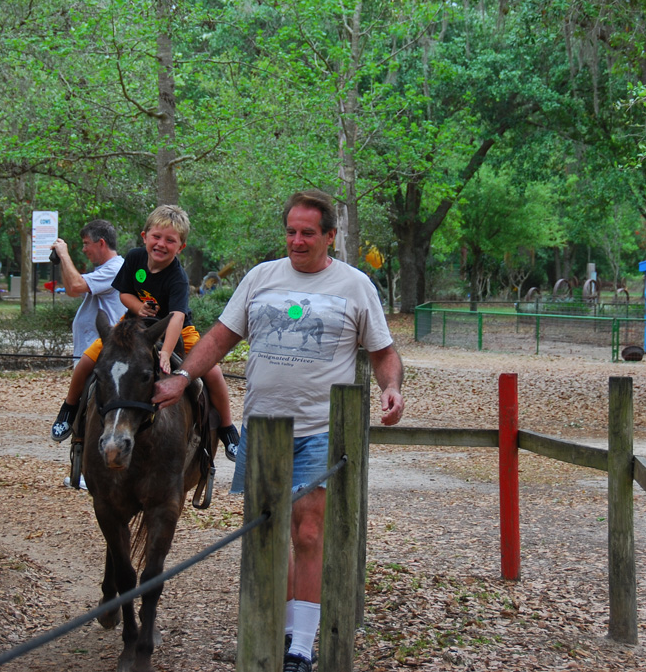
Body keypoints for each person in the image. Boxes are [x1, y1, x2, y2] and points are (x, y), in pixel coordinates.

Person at [151, 190, 405, 672]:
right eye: (291, 231)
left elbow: (383, 352)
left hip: (321, 427)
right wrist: (182, 376)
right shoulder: (260, 278)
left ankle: (301, 649)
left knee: (308, 530)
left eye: (308, 232)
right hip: (264, 429)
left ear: (330, 236)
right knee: (270, 533)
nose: (297, 240)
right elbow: (220, 338)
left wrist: (391, 388)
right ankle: (285, 627)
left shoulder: (354, 285)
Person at [48, 205, 240, 461]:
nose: (161, 244)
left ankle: (227, 429)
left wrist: (167, 353)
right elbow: (124, 293)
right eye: (156, 237)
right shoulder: (135, 259)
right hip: (132, 325)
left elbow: (177, 317)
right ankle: (69, 410)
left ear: (180, 247)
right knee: (86, 361)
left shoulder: (177, 278)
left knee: (213, 372)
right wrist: (139, 307)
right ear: (144, 237)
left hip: (178, 329)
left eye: (170, 240)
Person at [54, 220, 126, 367]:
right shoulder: (102, 270)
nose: (83, 249)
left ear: (101, 243)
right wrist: (62, 260)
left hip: (103, 354)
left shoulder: (115, 269)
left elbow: (76, 285)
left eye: (86, 243)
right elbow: (71, 291)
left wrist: (65, 255)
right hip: (91, 352)